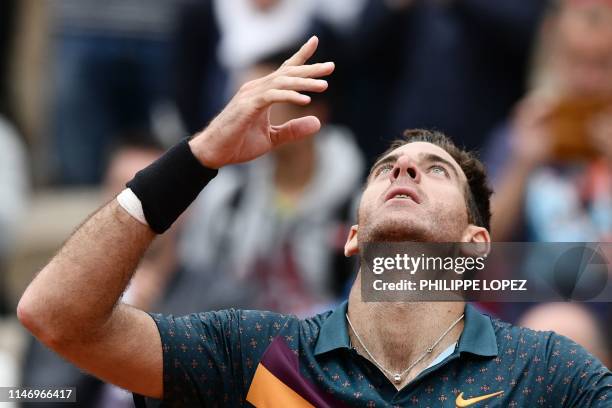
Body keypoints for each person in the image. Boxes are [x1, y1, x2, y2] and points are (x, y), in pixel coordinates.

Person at [17, 37, 611, 406]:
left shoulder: (548, 373)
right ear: (353, 236)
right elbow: (56, 316)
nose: (405, 168)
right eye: (387, 168)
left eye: (436, 171)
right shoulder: (255, 353)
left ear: (474, 244)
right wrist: (197, 158)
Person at [178, 49, 363, 316]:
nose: (242, 115)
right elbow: (192, 298)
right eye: (237, 101)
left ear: (314, 112)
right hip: (236, 351)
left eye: (262, 102)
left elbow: (404, 307)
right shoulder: (225, 197)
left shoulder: (361, 207)